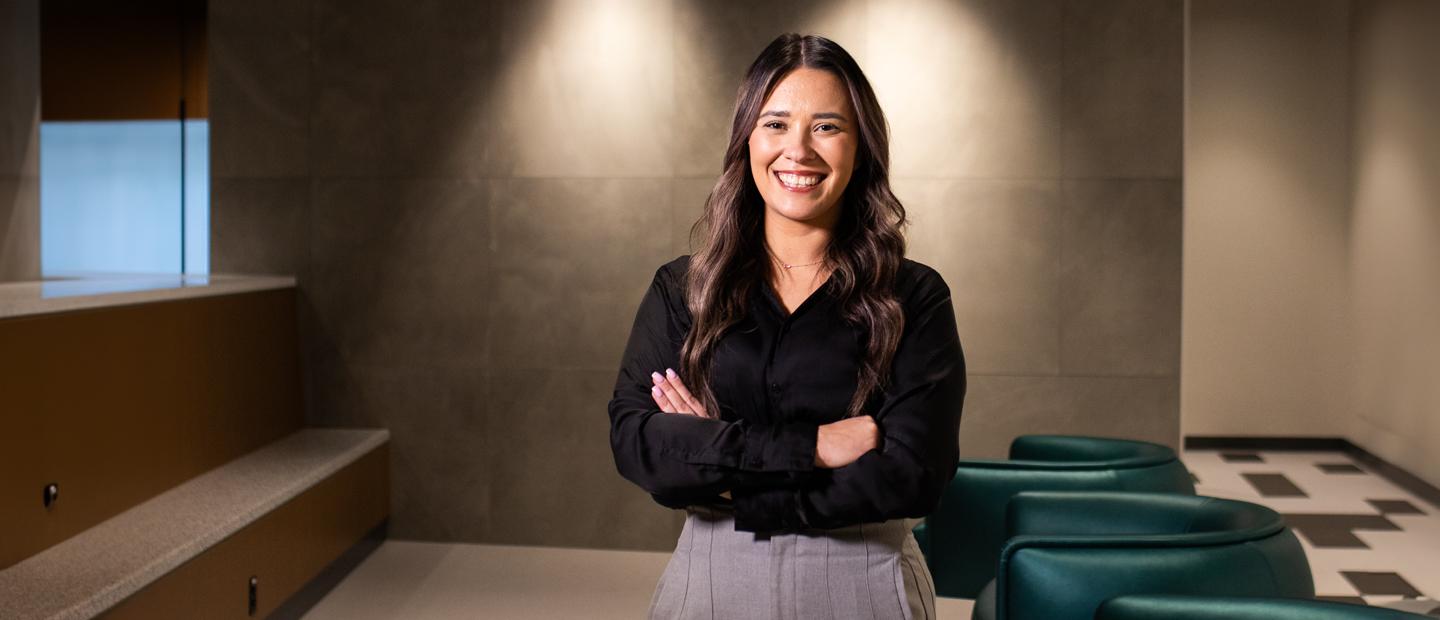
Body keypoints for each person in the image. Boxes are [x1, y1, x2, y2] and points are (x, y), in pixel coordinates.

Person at [607, 32, 966, 620]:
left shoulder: (914, 295)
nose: (797, 150)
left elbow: (913, 475)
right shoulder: (683, 290)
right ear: (747, 138)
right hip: (712, 577)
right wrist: (816, 447)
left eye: (827, 126)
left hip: (864, 579)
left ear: (861, 148)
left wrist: (717, 463)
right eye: (775, 124)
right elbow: (638, 442)